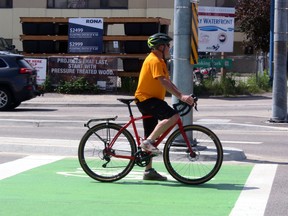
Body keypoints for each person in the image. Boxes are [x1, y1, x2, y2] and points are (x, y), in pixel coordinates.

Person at [134, 33, 194, 181]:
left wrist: (182, 94)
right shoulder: (154, 60)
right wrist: (181, 97)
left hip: (150, 100)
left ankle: (148, 171)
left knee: (151, 134)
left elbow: (169, 82)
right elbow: (163, 82)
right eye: (168, 45)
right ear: (161, 47)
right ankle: (147, 143)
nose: (169, 48)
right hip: (147, 100)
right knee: (173, 116)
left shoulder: (160, 60)